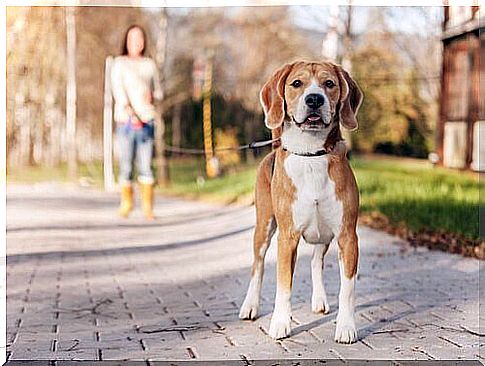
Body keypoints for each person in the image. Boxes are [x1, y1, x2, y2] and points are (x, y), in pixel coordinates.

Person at [111, 24, 162, 219]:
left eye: (140, 37)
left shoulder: (149, 64)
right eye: (132, 37)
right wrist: (131, 112)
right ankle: (126, 204)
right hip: (126, 122)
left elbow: (159, 90)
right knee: (126, 165)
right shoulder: (119, 63)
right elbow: (118, 91)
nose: (136, 41)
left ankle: (148, 207)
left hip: (147, 121)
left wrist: (153, 96)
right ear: (126, 40)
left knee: (146, 165)